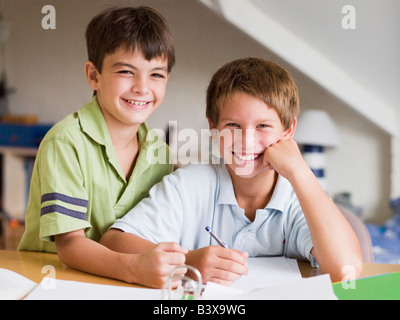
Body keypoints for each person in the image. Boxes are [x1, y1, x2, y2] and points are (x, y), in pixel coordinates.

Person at [101, 57, 363, 285]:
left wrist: (300, 171)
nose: (247, 141)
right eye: (233, 125)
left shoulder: (298, 196)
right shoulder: (189, 185)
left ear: (288, 132)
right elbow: (113, 243)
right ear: (213, 129)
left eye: (263, 126)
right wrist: (188, 261)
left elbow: (345, 271)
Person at [18, 6, 188, 288]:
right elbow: (70, 244)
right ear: (94, 76)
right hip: (50, 284)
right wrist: (135, 269)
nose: (142, 88)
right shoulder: (65, 143)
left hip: (116, 286)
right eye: (126, 71)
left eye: (156, 75)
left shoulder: (160, 153)